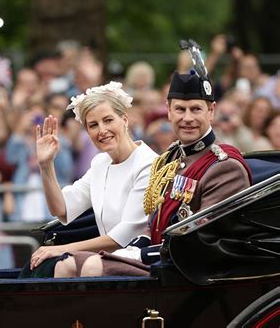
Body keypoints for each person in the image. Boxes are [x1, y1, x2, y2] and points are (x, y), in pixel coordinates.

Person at [54, 70, 253, 278]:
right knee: (64, 266)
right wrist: (134, 249)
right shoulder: (170, 158)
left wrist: (139, 255)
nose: (187, 118)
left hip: (194, 268)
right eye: (180, 109)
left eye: (195, 109)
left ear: (211, 111)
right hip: (163, 257)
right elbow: (154, 224)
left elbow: (202, 240)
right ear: (168, 111)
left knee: (92, 267)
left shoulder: (224, 166)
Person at [26, 81, 158, 276]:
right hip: (105, 258)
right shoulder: (100, 163)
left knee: (59, 264)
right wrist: (46, 165)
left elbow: (122, 237)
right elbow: (61, 209)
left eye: (108, 120)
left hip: (138, 259)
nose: (102, 130)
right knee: (43, 267)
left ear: (125, 120)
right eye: (93, 125)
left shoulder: (148, 163)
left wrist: (62, 249)